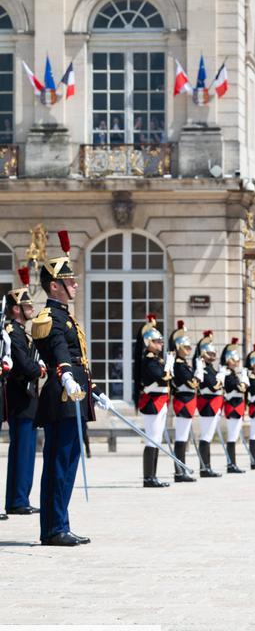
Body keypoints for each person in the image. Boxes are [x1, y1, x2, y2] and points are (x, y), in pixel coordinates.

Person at [32, 230, 112, 545]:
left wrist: (94, 392)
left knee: (68, 461)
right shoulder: (49, 318)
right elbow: (60, 354)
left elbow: (77, 360)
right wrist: (65, 373)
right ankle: (53, 528)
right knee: (59, 462)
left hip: (76, 394)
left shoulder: (65, 317)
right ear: (55, 286)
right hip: (62, 395)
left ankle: (60, 522)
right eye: (70, 281)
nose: (75, 285)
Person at [4, 267, 44, 516]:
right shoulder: (12, 333)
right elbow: (22, 364)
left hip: (28, 399)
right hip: (20, 398)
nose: (31, 308)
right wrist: (38, 369)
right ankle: (18, 500)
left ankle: (20, 497)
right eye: (27, 305)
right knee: (22, 450)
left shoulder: (23, 334)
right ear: (16, 308)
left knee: (27, 451)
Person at [135, 315, 171, 488]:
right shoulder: (149, 360)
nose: (160, 344)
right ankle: (148, 477)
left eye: (161, 341)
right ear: (148, 342)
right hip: (152, 402)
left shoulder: (156, 360)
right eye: (157, 341)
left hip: (160, 400)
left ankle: (153, 476)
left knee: (157, 439)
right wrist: (168, 371)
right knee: (152, 439)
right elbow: (162, 378)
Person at [169, 321, 198, 483]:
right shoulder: (179, 366)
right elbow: (192, 383)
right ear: (179, 348)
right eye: (186, 347)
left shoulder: (184, 364)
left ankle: (182, 470)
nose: (189, 350)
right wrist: (198, 374)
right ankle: (179, 472)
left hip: (187, 401)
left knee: (183, 438)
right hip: (183, 402)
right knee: (181, 438)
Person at [194, 330, 224, 477]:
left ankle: (207, 466)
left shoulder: (210, 368)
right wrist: (220, 381)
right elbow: (214, 386)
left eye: (213, 353)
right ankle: (204, 467)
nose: (213, 355)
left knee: (208, 436)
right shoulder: (202, 368)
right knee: (206, 436)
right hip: (207, 405)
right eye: (210, 353)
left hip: (213, 405)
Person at [222, 338, 248, 473]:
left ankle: (232, 464)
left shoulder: (232, 374)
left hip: (237, 406)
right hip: (232, 407)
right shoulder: (228, 375)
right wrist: (243, 383)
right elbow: (240, 388)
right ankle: (231, 464)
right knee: (232, 437)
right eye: (235, 360)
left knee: (234, 437)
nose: (237, 362)